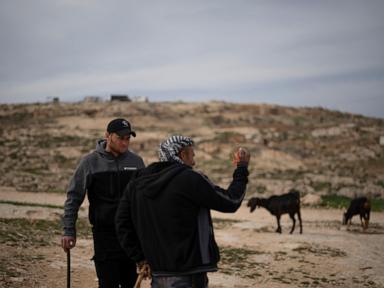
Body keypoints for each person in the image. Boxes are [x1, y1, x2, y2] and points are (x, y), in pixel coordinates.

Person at [115, 135, 250, 288]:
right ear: (182, 154)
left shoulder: (137, 182)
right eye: (191, 152)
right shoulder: (190, 178)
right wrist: (242, 168)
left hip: (158, 273)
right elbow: (230, 201)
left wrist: (140, 258)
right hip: (188, 274)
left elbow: (121, 223)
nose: (194, 156)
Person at [61, 118, 145, 288]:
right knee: (108, 284)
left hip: (131, 235)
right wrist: (68, 230)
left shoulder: (136, 162)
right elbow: (74, 197)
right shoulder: (90, 162)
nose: (125, 142)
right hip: (104, 235)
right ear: (107, 136)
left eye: (128, 138)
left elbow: (145, 200)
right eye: (120, 137)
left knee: (132, 283)